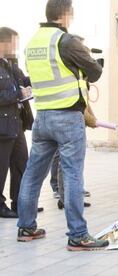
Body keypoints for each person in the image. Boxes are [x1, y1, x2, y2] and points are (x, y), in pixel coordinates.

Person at [17, 0, 108, 250]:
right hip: (67, 117)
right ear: (66, 15)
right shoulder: (66, 40)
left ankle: (26, 227)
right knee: (72, 175)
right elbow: (95, 72)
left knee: (33, 173)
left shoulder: (33, 42)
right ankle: (78, 235)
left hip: (43, 115)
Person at [0, 27, 36, 218]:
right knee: (1, 167)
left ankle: (20, 203)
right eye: (14, 42)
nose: (16, 46)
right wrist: (17, 94)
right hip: (2, 127)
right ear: (3, 43)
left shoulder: (11, 64)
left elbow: (23, 81)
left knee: (22, 164)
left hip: (17, 124)